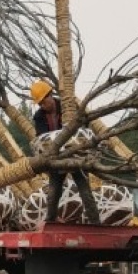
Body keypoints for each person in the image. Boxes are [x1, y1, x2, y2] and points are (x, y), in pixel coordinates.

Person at [29, 79, 100, 225]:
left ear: (50, 96)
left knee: (84, 188)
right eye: (40, 103)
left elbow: (83, 126)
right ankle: (50, 220)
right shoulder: (39, 116)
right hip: (56, 158)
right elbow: (42, 137)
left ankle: (95, 222)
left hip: (74, 154)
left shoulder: (68, 107)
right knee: (54, 191)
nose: (42, 105)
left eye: (43, 101)